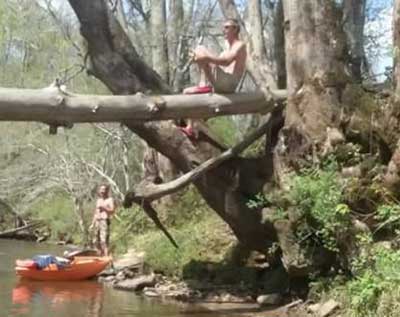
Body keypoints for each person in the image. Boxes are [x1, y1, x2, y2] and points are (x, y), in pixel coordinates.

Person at [181, 18, 247, 138]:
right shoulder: (225, 50)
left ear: (235, 29)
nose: (224, 30)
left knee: (202, 53)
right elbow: (215, 62)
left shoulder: (240, 45)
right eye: (224, 27)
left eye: (227, 27)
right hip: (219, 83)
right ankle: (191, 128)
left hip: (229, 84)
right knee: (187, 92)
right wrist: (200, 59)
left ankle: (204, 86)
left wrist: (205, 59)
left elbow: (226, 62)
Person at [89, 184, 116, 256]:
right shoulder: (98, 200)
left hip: (104, 221)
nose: (102, 191)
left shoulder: (110, 200)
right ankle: (99, 257)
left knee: (104, 241)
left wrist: (104, 208)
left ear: (107, 191)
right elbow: (96, 212)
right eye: (101, 189)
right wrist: (92, 224)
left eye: (103, 189)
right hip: (97, 221)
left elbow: (112, 210)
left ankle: (106, 257)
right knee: (95, 241)